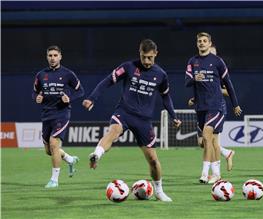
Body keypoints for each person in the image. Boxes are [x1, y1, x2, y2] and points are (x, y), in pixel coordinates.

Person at [82, 39, 181, 202]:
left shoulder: (161, 75)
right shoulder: (128, 67)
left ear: (156, 54)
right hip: (124, 112)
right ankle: (97, 154)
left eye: (150, 57)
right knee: (113, 131)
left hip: (144, 121)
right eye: (144, 57)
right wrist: (92, 98)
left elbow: (166, 97)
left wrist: (173, 115)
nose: (147, 61)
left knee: (153, 160)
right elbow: (108, 81)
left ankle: (159, 191)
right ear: (139, 53)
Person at [185, 32, 242, 184]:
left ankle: (204, 173)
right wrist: (193, 79)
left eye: (205, 41)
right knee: (208, 141)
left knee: (206, 135)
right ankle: (217, 173)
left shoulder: (217, 62)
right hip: (201, 108)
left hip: (216, 106)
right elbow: (187, 82)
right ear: (197, 44)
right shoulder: (192, 61)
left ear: (210, 44)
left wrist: (235, 104)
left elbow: (228, 84)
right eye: (199, 41)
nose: (202, 43)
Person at [32, 45, 84, 188]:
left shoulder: (68, 74)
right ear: (47, 57)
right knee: (49, 151)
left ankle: (54, 180)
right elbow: (34, 92)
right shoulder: (41, 75)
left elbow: (80, 91)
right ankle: (70, 159)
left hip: (62, 113)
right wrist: (37, 98)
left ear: (60, 56)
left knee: (54, 143)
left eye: (55, 55)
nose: (53, 58)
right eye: (50, 55)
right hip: (46, 114)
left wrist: (70, 98)